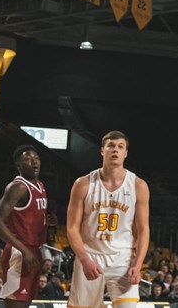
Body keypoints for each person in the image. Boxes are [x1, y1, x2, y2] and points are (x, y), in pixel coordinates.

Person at [66, 131, 151, 308]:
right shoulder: (83, 184)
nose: (115, 150)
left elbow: (143, 229)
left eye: (120, 147)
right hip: (90, 255)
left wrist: (138, 264)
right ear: (102, 150)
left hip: (122, 258)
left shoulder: (138, 185)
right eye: (111, 146)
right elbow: (72, 228)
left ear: (126, 153)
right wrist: (84, 259)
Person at [0, 145, 48, 308]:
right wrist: (24, 250)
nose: (34, 162)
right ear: (18, 165)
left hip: (34, 250)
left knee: (26, 304)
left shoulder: (41, 185)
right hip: (20, 251)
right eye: (27, 159)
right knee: (15, 305)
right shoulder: (18, 187)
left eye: (36, 158)